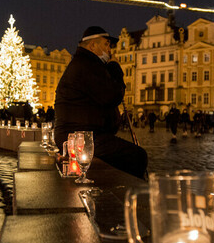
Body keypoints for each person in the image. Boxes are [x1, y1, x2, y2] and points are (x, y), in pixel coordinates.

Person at [54, 26, 147, 180]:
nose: (110, 50)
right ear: (92, 46)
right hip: (81, 136)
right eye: (106, 45)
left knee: (129, 154)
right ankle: (129, 195)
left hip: (79, 134)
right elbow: (112, 95)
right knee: (137, 155)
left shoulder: (85, 64)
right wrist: (115, 68)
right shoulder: (86, 66)